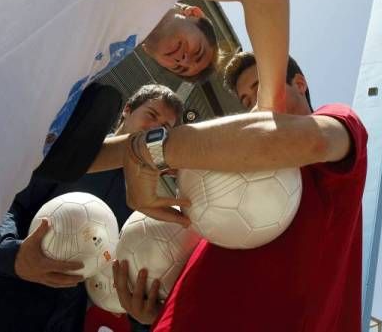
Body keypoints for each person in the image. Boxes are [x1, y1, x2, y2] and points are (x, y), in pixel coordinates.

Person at [0, 0, 290, 288]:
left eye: (182, 67)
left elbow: (66, 160)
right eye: (194, 49)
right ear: (193, 13)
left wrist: (148, 155)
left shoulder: (95, 46)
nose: (183, 59)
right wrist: (268, 115)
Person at [107, 52, 368, 331]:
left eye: (261, 88)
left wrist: (155, 151)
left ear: (300, 83)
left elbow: (318, 141)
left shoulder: (336, 129)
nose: (255, 106)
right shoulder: (232, 182)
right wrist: (156, 313)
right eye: (246, 101)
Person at [0, 84, 183, 332]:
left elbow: (127, 276)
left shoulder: (147, 207)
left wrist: (142, 317)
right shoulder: (69, 152)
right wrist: (15, 255)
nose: (154, 130)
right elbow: (7, 205)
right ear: (128, 110)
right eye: (151, 116)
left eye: (164, 129)